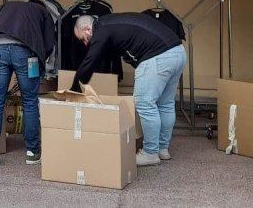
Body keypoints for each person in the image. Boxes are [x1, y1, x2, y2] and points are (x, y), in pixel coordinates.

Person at [71, 12, 185, 167]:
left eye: (82, 39)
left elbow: (89, 62)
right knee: (165, 103)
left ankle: (151, 153)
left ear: (87, 29)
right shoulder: (111, 23)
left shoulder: (101, 30)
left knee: (145, 104)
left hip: (156, 56)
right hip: (177, 51)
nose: (85, 44)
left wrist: (73, 90)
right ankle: (162, 149)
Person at [0, 0, 56, 167]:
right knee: (30, 101)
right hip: (25, 52)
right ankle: (33, 152)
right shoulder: (42, 11)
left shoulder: (7, 5)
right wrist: (41, 60)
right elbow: (49, 41)